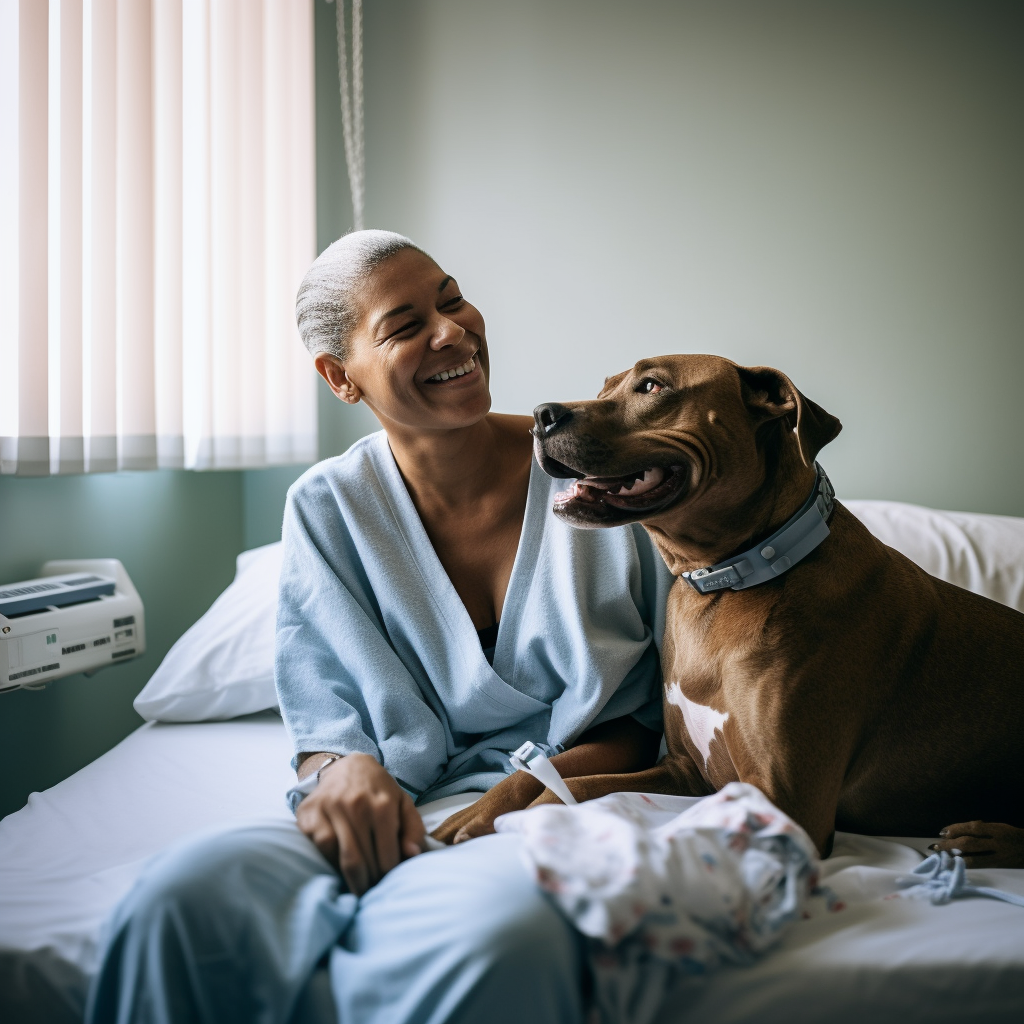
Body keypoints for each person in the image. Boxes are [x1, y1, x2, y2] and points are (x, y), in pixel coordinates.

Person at [86, 231, 675, 1024]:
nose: (453, 331)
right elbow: (326, 711)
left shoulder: (600, 475)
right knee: (176, 902)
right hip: (384, 803)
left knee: (497, 938)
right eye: (404, 326)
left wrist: (514, 796)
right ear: (340, 378)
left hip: (558, 806)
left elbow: (647, 718)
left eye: (452, 297)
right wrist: (342, 772)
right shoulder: (327, 509)